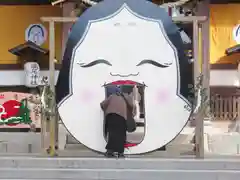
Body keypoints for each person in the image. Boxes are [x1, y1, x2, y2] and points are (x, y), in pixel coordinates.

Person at [100, 86, 135, 158]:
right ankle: (120, 153)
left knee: (112, 133)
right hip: (121, 117)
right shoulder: (127, 97)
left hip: (110, 116)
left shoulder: (112, 96)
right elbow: (131, 106)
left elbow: (102, 104)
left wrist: (107, 110)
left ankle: (110, 152)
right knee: (121, 135)